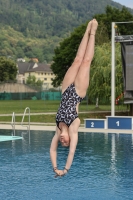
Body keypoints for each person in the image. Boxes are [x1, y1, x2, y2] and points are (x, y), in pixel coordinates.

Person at [50, 19, 98, 177]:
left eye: (62, 142)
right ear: (70, 138)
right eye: (66, 142)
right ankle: (93, 32)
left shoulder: (57, 130)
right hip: (77, 92)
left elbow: (52, 149)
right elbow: (71, 153)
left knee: (77, 60)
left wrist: (55, 168)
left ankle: (86, 30)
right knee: (85, 62)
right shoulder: (73, 128)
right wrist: (65, 170)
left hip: (65, 90)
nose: (63, 141)